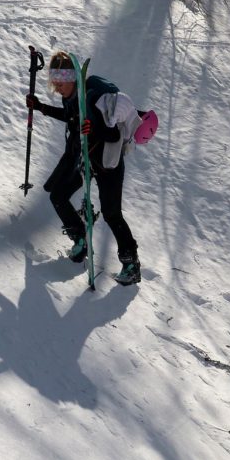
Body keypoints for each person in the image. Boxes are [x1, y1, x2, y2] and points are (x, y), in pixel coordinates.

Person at [25, 51, 141, 285]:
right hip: (84, 160)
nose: (57, 88)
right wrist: (41, 107)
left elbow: (114, 133)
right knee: (58, 195)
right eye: (54, 83)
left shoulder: (92, 97)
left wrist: (94, 129)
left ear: (72, 79)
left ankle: (131, 263)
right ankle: (80, 240)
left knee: (111, 213)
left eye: (60, 83)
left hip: (107, 163)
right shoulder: (70, 97)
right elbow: (70, 118)